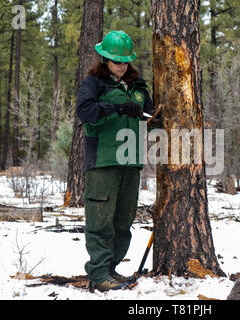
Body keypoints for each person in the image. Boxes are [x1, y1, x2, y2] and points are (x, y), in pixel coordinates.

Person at [76, 30, 162, 292]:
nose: (122, 66)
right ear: (104, 59)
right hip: (103, 161)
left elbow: (151, 115)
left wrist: (156, 121)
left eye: (125, 61)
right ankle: (99, 274)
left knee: (123, 221)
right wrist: (116, 108)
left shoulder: (138, 86)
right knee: (100, 219)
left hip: (131, 162)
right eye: (116, 61)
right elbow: (85, 112)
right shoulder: (95, 83)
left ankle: (111, 269)